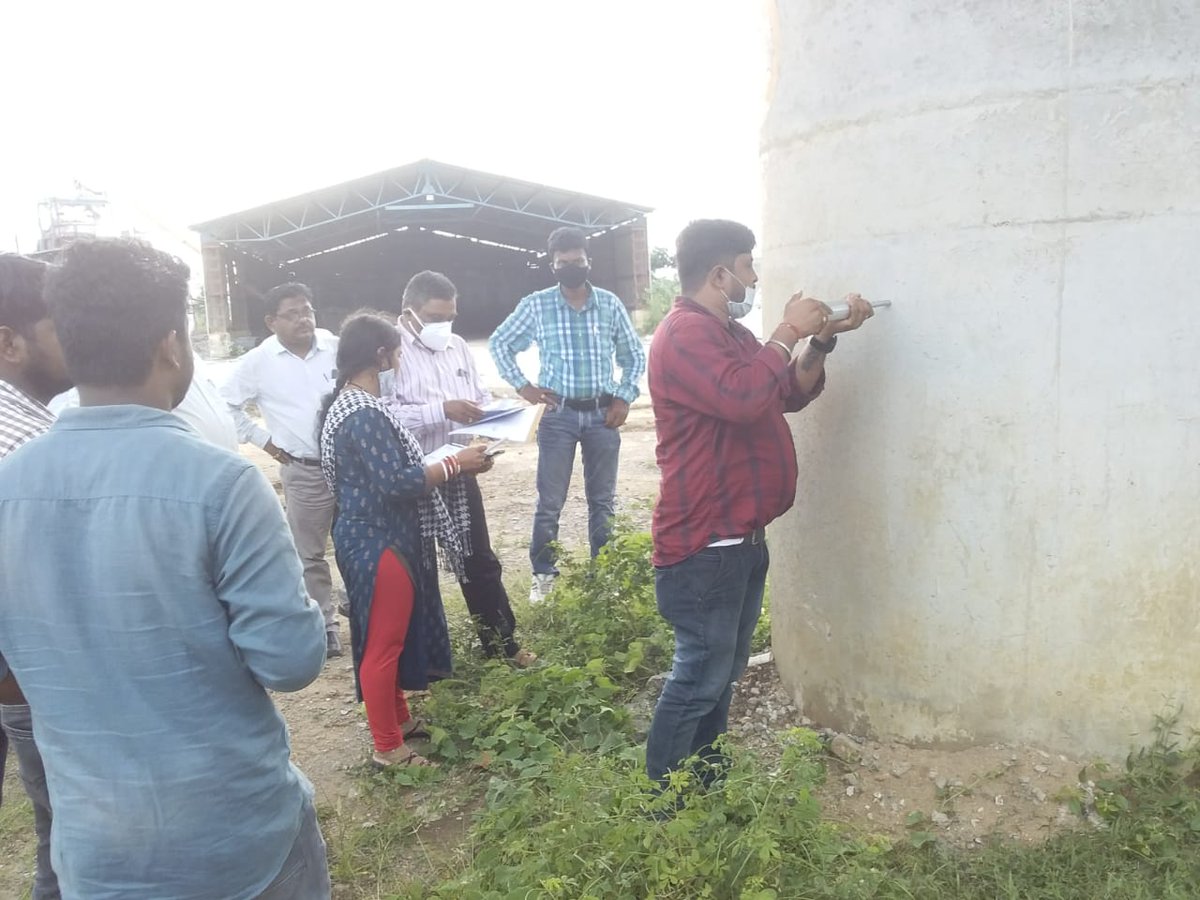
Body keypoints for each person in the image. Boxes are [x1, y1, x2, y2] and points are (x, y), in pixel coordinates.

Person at [0, 238, 331, 899]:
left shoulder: (10, 484)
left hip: (95, 853)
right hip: (236, 840)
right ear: (171, 344)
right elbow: (291, 661)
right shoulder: (225, 484)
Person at [644, 219, 875, 788]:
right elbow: (746, 397)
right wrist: (785, 333)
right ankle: (661, 809)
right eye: (747, 266)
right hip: (705, 543)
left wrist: (820, 339)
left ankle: (705, 786)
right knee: (699, 675)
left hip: (739, 539)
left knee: (720, 676)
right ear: (720, 275)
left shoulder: (730, 336)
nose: (754, 276)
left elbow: (787, 393)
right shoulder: (683, 333)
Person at [320, 312, 494, 767]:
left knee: (390, 636)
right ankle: (387, 748)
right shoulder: (363, 413)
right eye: (396, 353)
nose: (399, 361)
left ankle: (398, 720)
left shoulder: (352, 403)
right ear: (380, 356)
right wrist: (456, 465)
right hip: (378, 542)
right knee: (383, 644)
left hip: (381, 536)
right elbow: (395, 483)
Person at [489, 226, 646, 602]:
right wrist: (522, 386)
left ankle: (605, 575)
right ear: (552, 264)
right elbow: (500, 343)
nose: (571, 267)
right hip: (557, 416)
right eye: (563, 263)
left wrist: (623, 398)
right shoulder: (537, 305)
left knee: (603, 501)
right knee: (550, 502)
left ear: (588, 260)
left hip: (602, 415)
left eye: (577, 261)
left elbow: (634, 355)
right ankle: (544, 576)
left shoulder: (608, 304)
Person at [386, 270, 535, 666]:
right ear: (409, 312)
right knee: (416, 569)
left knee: (479, 561)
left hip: (458, 469)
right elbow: (382, 412)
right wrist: (441, 410)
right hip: (412, 475)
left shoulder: (457, 347)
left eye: (449, 317)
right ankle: (424, 663)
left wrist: (486, 430)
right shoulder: (387, 350)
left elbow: (478, 398)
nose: (443, 326)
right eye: (435, 318)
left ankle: (503, 647)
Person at [220, 283, 343, 657]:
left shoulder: (334, 346)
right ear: (271, 321)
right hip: (304, 470)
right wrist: (264, 440)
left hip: (351, 466)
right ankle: (326, 623)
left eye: (307, 310)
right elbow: (226, 404)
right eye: (292, 314)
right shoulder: (258, 362)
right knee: (309, 553)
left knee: (355, 541)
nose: (303, 319)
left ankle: (363, 608)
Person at [0, 253, 71, 900]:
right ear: (9, 342)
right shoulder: (20, 442)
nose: (73, 338)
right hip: (28, 683)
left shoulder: (32, 425)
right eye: (58, 324)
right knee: (68, 833)